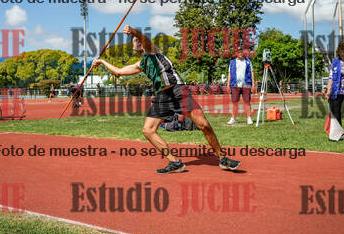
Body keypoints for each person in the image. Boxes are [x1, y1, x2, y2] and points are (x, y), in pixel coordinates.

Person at [92, 25, 241, 174]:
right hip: (162, 96)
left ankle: (222, 158)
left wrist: (133, 31)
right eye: (134, 40)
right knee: (148, 130)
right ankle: (175, 162)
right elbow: (119, 72)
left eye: (138, 39)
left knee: (204, 125)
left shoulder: (153, 50)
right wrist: (102, 62)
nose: (136, 41)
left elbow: (143, 37)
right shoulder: (141, 64)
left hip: (177, 90)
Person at [227, 48, 255, 125]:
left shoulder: (248, 61)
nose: (240, 53)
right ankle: (233, 118)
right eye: (238, 52)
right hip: (235, 85)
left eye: (241, 52)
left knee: (247, 102)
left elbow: (252, 72)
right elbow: (229, 74)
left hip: (246, 84)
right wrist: (228, 85)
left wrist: (253, 84)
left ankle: (249, 118)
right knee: (234, 102)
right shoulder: (232, 62)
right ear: (236, 53)